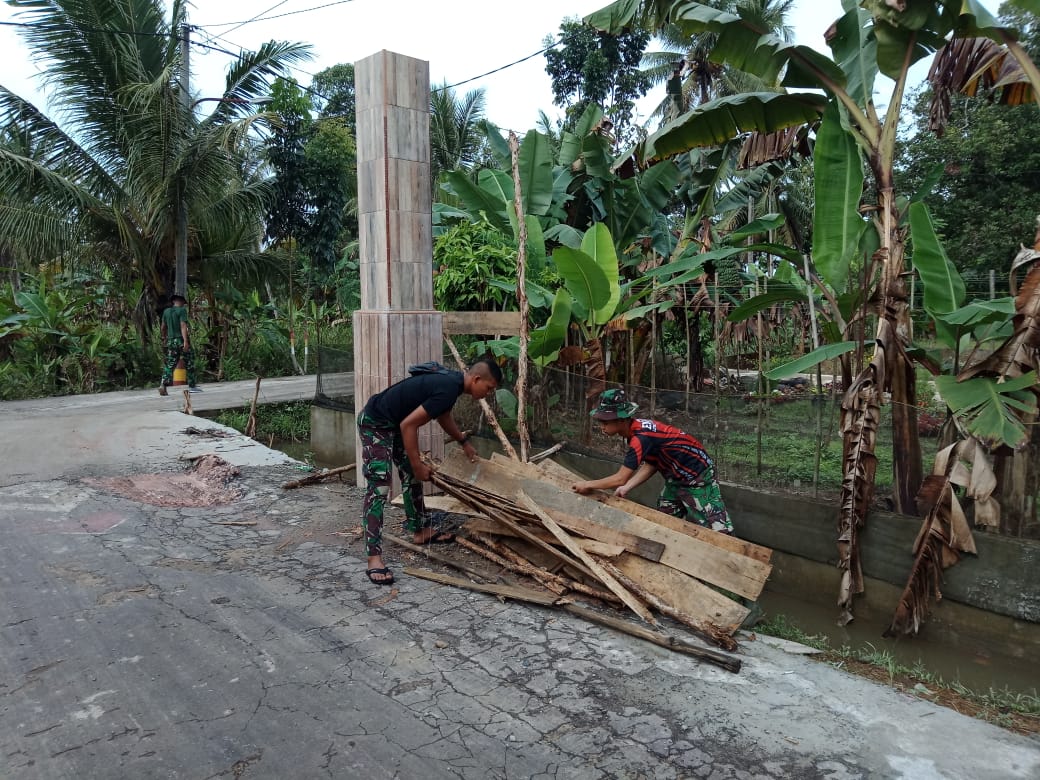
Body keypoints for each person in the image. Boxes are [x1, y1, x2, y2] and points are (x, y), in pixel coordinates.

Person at [359, 357, 502, 586]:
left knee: (410, 475)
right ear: (476, 379)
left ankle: (420, 531)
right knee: (379, 486)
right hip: (375, 422)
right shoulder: (449, 387)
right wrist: (417, 465)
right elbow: (409, 425)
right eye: (489, 388)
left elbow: (443, 416)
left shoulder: (453, 384)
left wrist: (463, 441)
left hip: (393, 423)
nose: (488, 394)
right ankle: (374, 557)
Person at [572, 388, 734, 535]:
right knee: (666, 514)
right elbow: (652, 463)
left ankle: (730, 552)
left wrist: (587, 484)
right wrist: (627, 487)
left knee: (717, 527)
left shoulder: (641, 438)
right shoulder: (637, 430)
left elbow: (620, 478)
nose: (602, 427)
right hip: (676, 478)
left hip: (697, 476)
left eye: (606, 422)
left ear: (621, 419)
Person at [158, 293, 201, 396]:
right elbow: (183, 326)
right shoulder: (182, 311)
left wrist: (164, 338)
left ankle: (163, 384)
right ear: (181, 302)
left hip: (171, 341)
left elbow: (163, 327)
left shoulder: (166, 311)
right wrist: (185, 341)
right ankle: (192, 386)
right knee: (189, 361)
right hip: (180, 340)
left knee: (170, 364)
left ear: (173, 301)